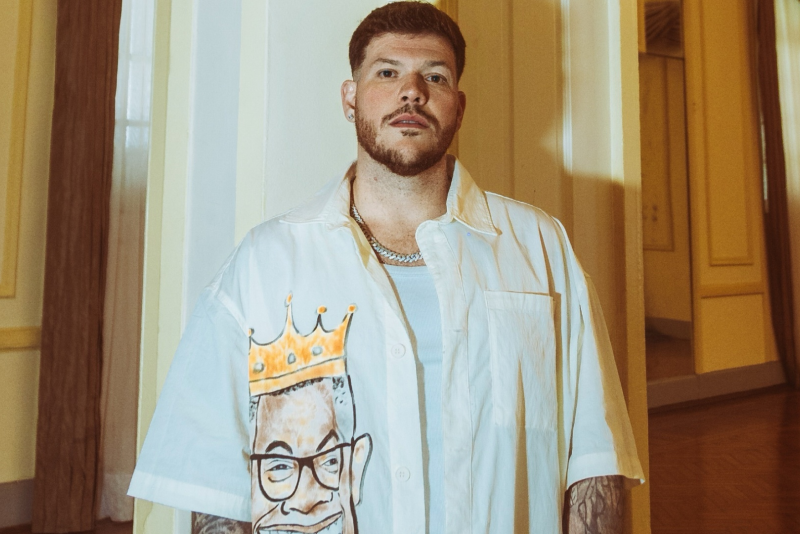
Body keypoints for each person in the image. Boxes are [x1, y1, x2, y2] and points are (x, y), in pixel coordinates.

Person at [128, 3, 644, 534]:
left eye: (435, 76)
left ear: (459, 106)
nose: (412, 91)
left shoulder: (539, 248)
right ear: (350, 98)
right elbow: (213, 482)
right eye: (387, 72)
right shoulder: (264, 264)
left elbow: (595, 460)